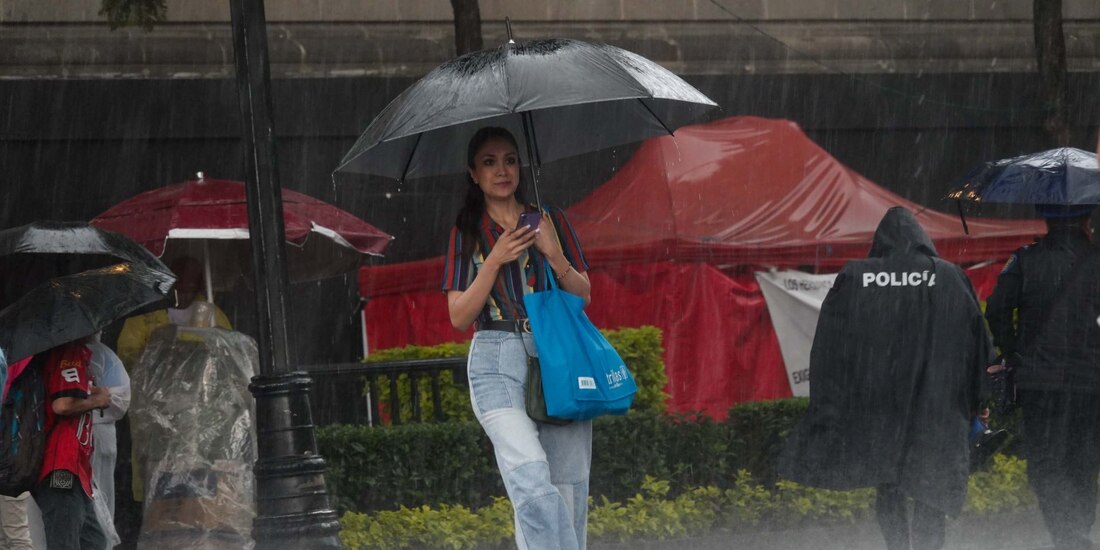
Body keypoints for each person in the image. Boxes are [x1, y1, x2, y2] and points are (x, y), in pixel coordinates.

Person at [778, 207, 993, 550]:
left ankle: (897, 545)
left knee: (888, 478)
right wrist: (981, 398)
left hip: (879, 403)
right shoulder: (950, 276)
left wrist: (830, 401)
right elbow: (978, 342)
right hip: (937, 404)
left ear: (882, 241)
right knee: (932, 482)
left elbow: (831, 345)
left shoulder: (856, 276)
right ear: (922, 240)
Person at [443, 126, 593, 549]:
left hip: (555, 352)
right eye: (489, 162)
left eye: (509, 160)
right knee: (530, 478)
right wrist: (493, 261)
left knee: (567, 486)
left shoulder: (549, 220)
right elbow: (459, 316)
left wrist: (554, 254)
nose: (502, 170)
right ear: (473, 174)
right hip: (496, 358)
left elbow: (583, 295)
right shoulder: (467, 231)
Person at [984, 204, 1100, 550]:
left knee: (1046, 460)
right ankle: (1077, 531)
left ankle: (1066, 534)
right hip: (1091, 381)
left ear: (1047, 220)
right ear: (1087, 219)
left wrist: (1011, 350)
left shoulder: (1025, 259)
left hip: (1039, 381)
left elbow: (997, 310)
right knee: (1084, 459)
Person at [32, 339, 112, 550]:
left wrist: (93, 392)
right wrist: (98, 401)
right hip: (62, 465)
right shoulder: (69, 352)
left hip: (76, 468)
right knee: (66, 542)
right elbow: (62, 404)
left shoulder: (74, 353)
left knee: (94, 541)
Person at [87, 334, 130, 547]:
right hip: (91, 435)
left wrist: (91, 398)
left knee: (99, 497)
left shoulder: (103, 356)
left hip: (99, 435)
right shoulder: (105, 356)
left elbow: (120, 400)